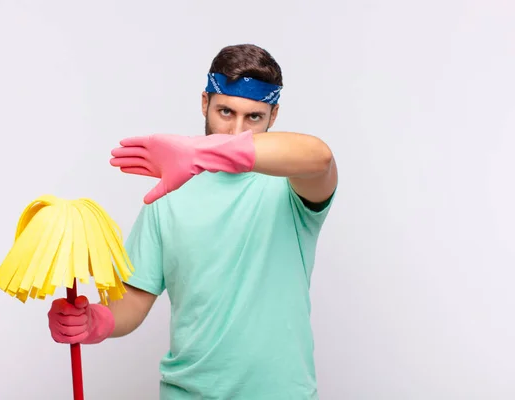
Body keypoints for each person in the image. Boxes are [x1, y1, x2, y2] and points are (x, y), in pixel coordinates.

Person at [48, 43, 338, 399]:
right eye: (225, 112)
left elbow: (320, 158)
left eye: (254, 117)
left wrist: (203, 151)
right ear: (205, 103)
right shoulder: (168, 193)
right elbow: (136, 296)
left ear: (273, 116)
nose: (235, 131)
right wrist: (96, 321)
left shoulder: (289, 184)